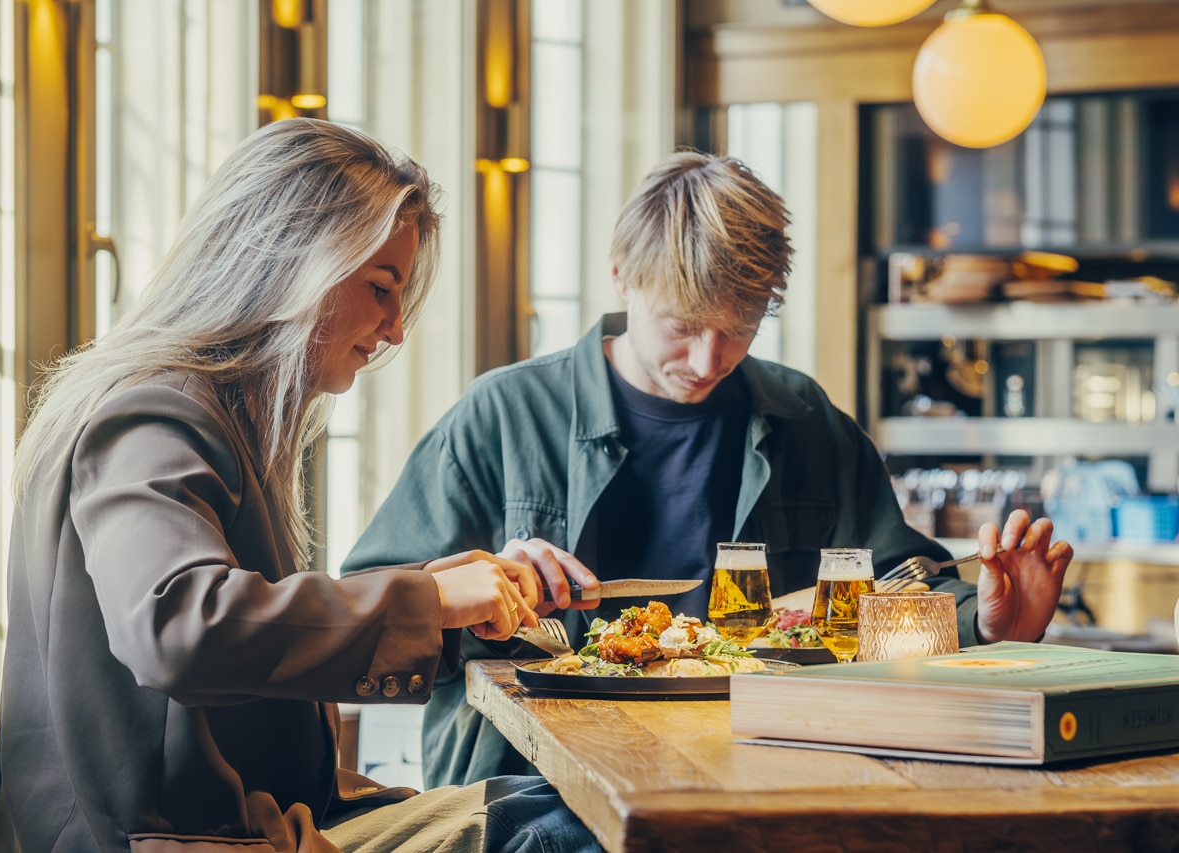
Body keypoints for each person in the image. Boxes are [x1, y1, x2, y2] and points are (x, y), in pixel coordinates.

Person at [341, 149, 1075, 788]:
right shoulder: (502, 415)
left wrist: (983, 619)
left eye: (739, 329)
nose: (707, 361)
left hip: (767, 780)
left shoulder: (805, 420)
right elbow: (361, 624)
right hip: (532, 793)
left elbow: (896, 587)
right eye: (683, 325)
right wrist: (477, 595)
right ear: (623, 276)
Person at [0, 118, 602, 853]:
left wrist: (442, 600)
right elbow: (179, 627)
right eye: (380, 287)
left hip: (257, 816)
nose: (395, 329)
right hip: (176, 840)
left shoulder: (202, 407)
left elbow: (236, 627)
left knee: (570, 809)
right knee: (580, 828)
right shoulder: (156, 412)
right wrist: (425, 600)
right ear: (290, 263)